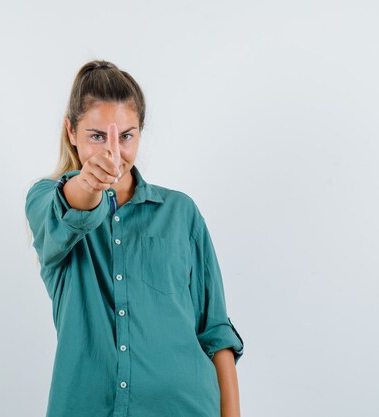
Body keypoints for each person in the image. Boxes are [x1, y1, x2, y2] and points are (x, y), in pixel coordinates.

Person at [24, 59, 245, 417]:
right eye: (97, 136)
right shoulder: (47, 201)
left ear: (140, 132)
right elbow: (75, 205)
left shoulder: (181, 212)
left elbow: (215, 329)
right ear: (71, 132)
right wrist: (89, 182)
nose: (113, 152)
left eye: (126, 136)